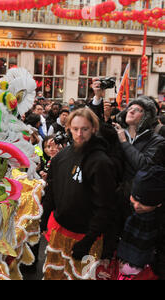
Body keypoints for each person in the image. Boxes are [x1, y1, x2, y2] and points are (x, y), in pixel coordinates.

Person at [40, 107, 118, 280]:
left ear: (94, 129)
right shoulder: (61, 157)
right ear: (68, 128)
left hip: (86, 238)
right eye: (75, 129)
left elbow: (106, 207)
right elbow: (52, 189)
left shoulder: (101, 162)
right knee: (54, 275)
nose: (79, 134)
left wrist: (88, 240)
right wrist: (44, 216)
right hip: (59, 232)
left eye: (85, 129)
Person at [98, 166, 165, 280]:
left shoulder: (160, 218)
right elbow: (113, 226)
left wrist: (156, 272)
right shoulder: (122, 196)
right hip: (117, 258)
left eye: (144, 203)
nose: (136, 206)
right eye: (134, 198)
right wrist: (106, 255)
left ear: (158, 204)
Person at [113, 97, 165, 231]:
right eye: (130, 108)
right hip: (114, 197)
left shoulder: (157, 141)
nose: (131, 111)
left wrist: (124, 143)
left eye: (138, 110)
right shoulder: (117, 134)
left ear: (147, 116)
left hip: (137, 201)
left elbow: (144, 166)